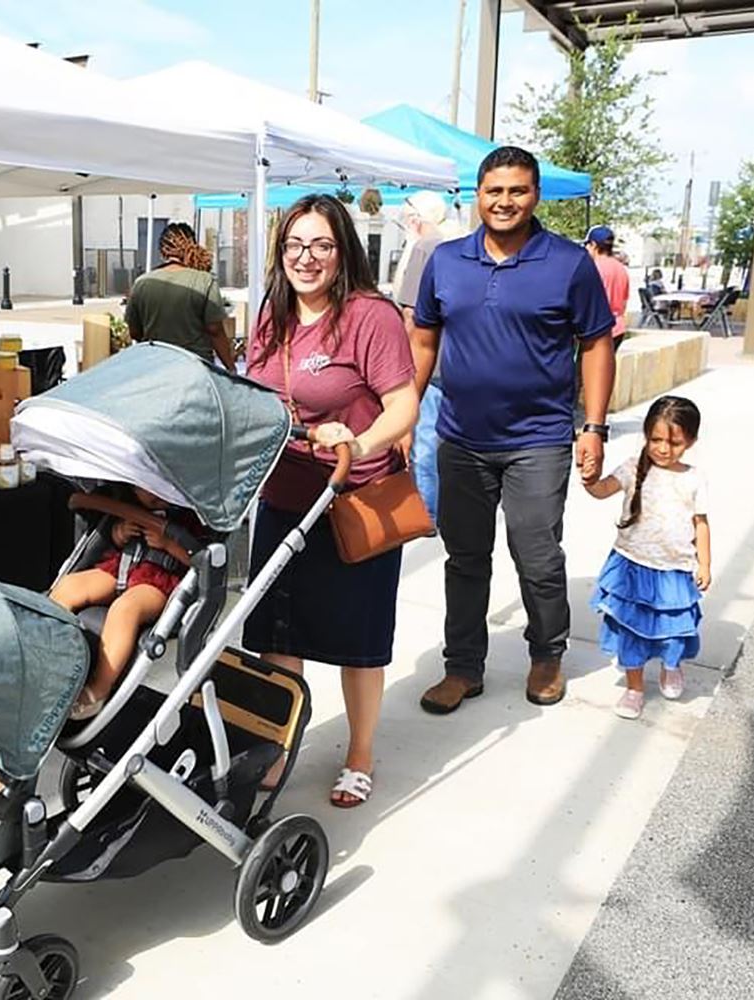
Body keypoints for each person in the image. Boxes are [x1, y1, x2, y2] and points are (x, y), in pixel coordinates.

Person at [411, 146, 616, 715]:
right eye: (494, 191)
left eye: (517, 190)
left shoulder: (568, 263)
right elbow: (423, 339)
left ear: (535, 196)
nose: (505, 201)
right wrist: (405, 414)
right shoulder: (447, 261)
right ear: (477, 195)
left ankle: (547, 654)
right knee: (465, 558)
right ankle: (462, 667)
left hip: (539, 439)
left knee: (538, 554)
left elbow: (597, 342)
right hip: (460, 438)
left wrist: (593, 426)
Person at [243, 193, 419, 808]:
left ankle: (360, 752)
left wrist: (360, 441)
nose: (306, 258)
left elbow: (404, 404)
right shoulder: (272, 315)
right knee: (278, 634)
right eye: (294, 245)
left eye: (320, 244)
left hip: (356, 498)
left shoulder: (371, 316)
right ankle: (279, 746)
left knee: (357, 639)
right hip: (286, 496)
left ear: (342, 249)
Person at [585, 397, 710, 720]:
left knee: (673, 631)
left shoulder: (694, 478)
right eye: (656, 440)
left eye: (674, 442)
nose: (664, 449)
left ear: (690, 441)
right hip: (631, 566)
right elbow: (602, 490)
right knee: (630, 631)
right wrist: (588, 478)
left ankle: (671, 667)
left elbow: (701, 523)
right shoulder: (631, 468)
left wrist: (705, 563)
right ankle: (635, 688)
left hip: (674, 571)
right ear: (645, 435)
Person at [50, 487, 198, 719]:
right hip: (121, 566)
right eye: (144, 488)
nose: (153, 493)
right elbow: (110, 538)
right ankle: (49, 655)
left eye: (157, 487)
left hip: (159, 580)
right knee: (69, 586)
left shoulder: (191, 512)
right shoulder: (125, 502)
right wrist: (118, 533)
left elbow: (200, 558)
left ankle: (100, 687)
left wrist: (169, 544)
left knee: (124, 609)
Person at [397, 191, 466, 521]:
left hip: (429, 362)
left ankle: (426, 515)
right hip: (457, 361)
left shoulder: (425, 248)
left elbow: (412, 314)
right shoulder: (458, 244)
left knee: (423, 442)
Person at [124, 222, 234, 370]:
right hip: (196, 367)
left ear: (162, 251)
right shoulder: (205, 281)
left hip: (155, 366)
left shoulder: (141, 283)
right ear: (193, 246)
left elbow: (135, 332)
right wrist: (231, 368)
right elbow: (215, 330)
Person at [584, 225, 630, 351]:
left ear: (593, 245)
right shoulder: (621, 269)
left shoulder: (592, 268)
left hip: (597, 330)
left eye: (587, 245)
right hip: (618, 328)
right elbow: (624, 302)